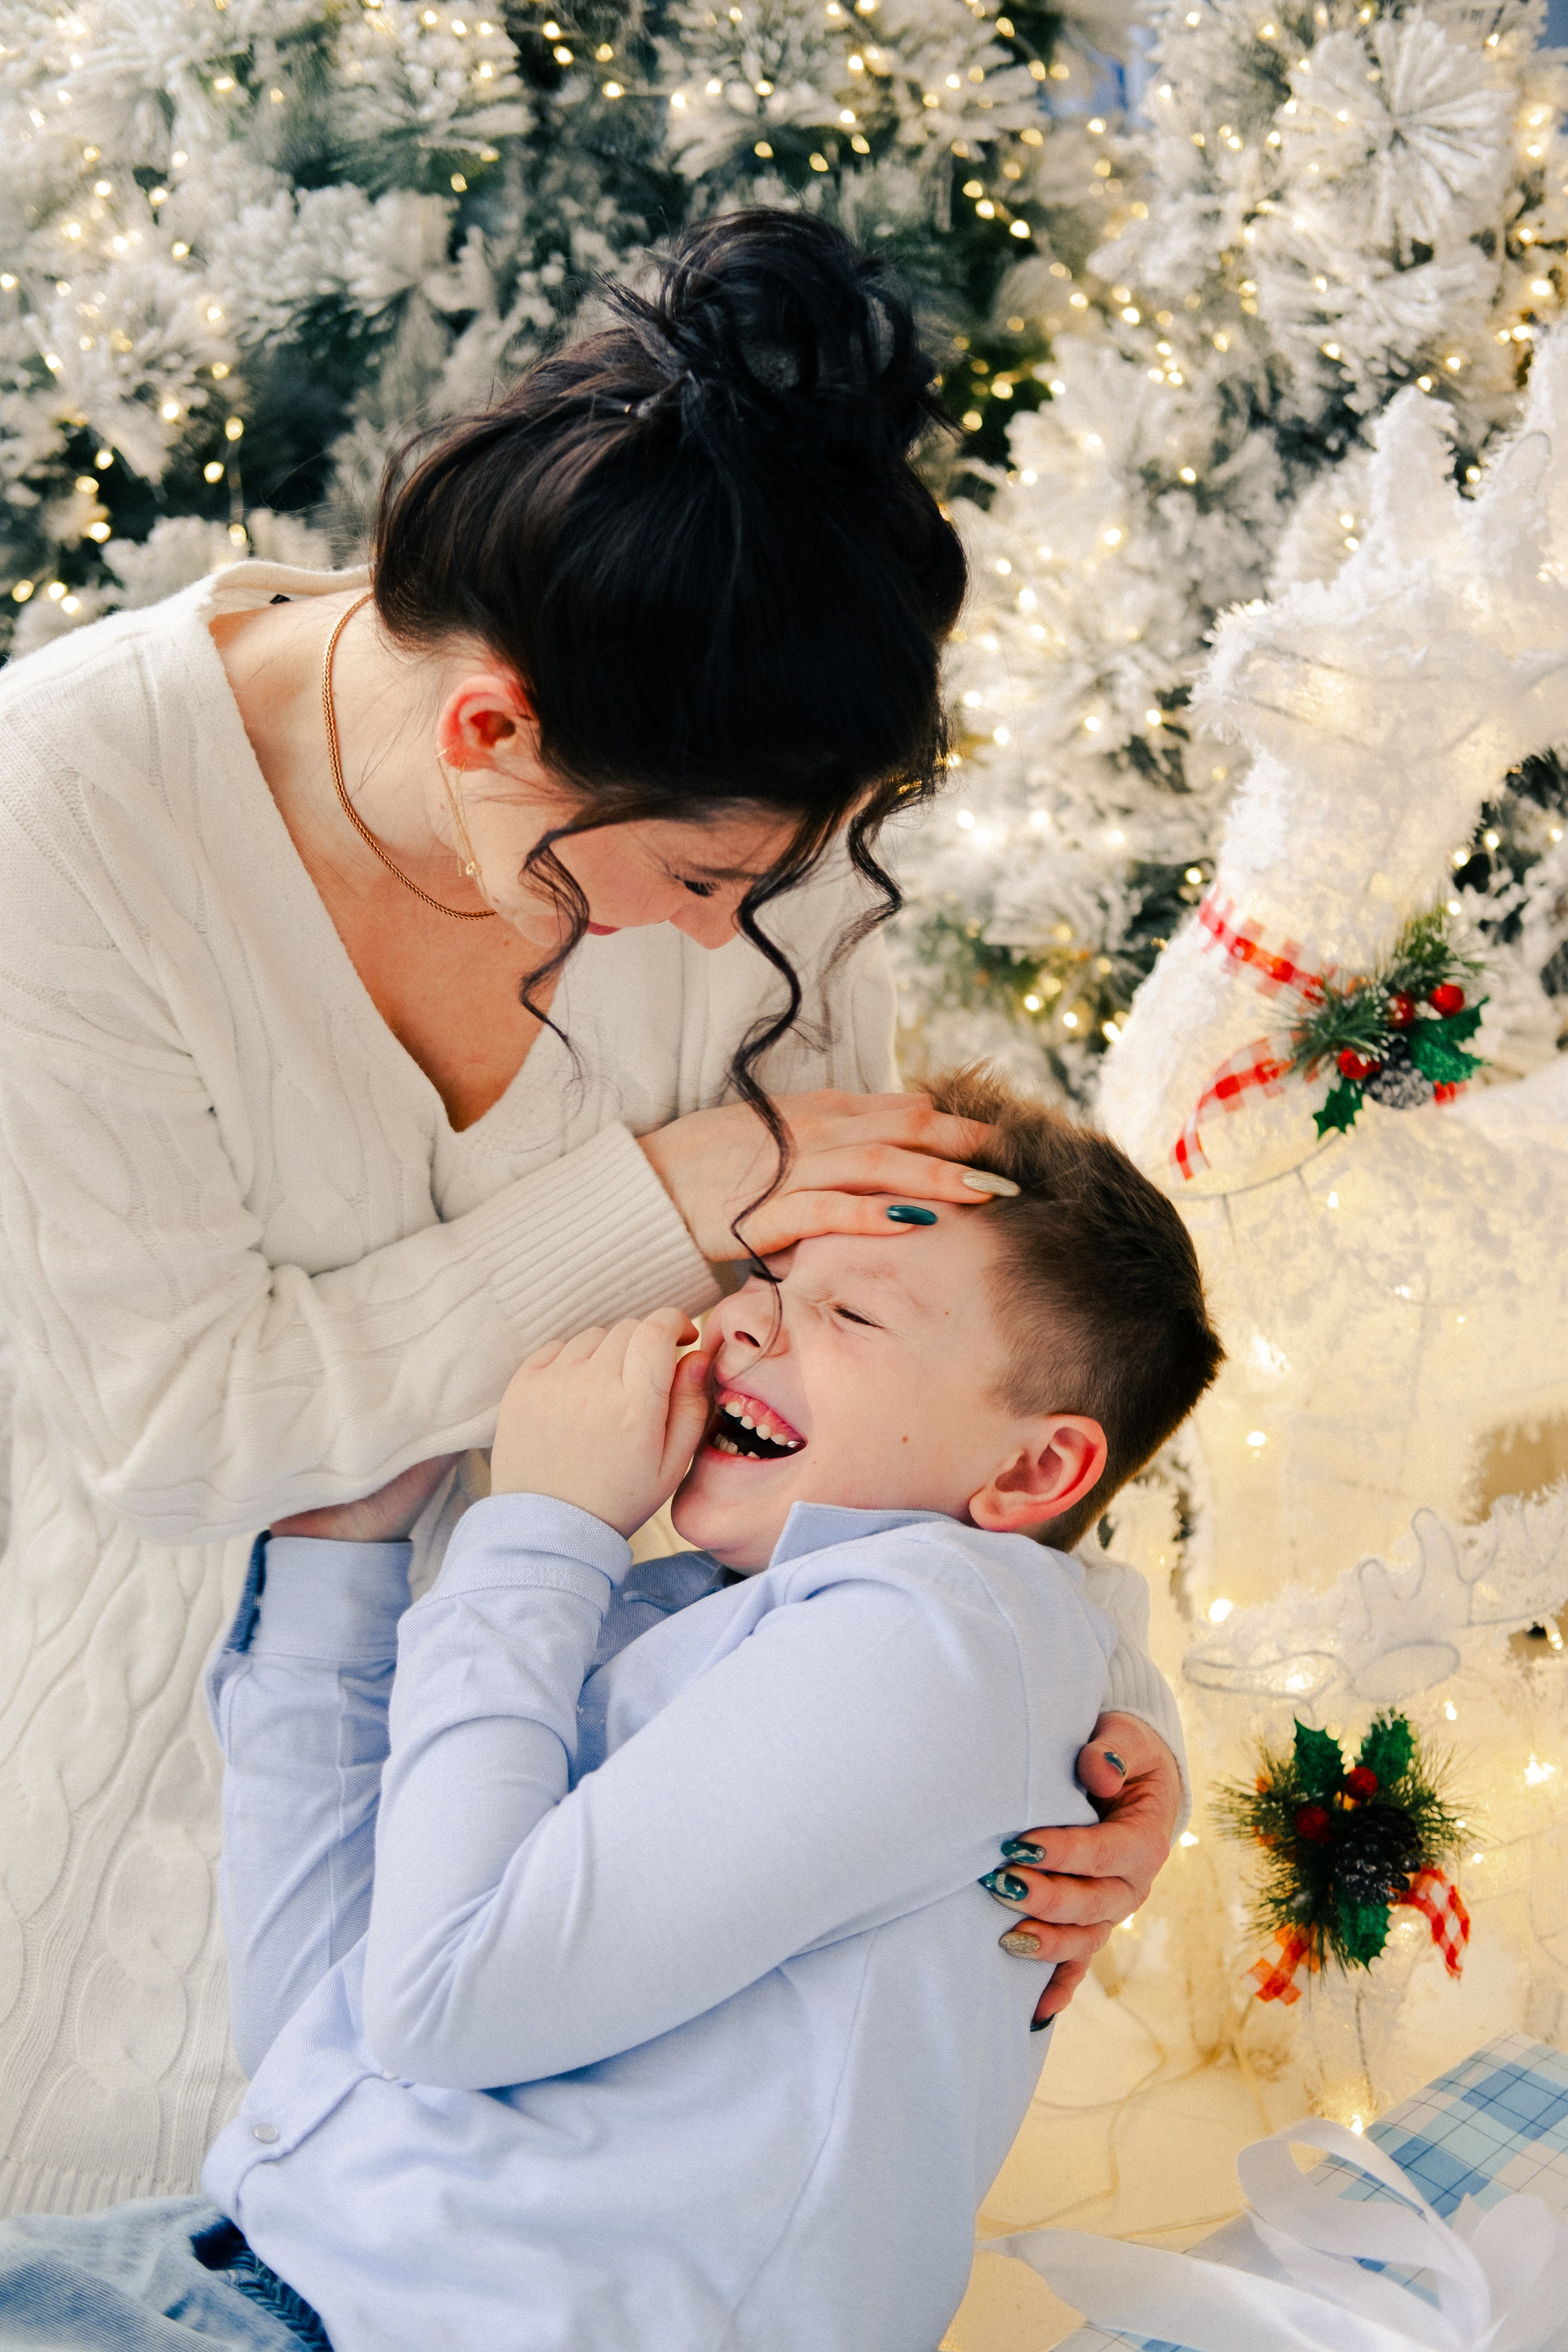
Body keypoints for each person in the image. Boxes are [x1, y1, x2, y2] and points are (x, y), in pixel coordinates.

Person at [0, 209, 1178, 2215]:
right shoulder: (69, 820)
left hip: (573, 1910)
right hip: (116, 1862)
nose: (732, 946)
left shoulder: (741, 770)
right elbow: (183, 1428)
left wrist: (1089, 1695)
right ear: (492, 729)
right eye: (699, 887)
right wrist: (673, 1191)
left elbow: (919, 1346)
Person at [0, 1068, 1224, 2350]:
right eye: (766, 1275)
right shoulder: (704, 1617)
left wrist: (542, 1525)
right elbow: (326, 2026)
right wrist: (338, 1563)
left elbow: (439, 2004)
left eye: (850, 1312)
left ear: (1037, 1467)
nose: (741, 1322)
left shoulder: (935, 1634)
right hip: (256, 2255)